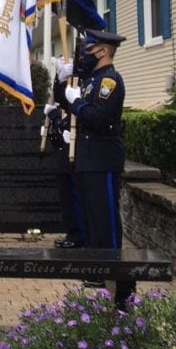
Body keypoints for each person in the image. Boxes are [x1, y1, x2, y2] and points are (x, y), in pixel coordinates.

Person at [63, 30, 127, 265]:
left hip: (102, 156)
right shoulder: (90, 81)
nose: (84, 56)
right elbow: (70, 105)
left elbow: (98, 117)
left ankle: (110, 267)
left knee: (104, 217)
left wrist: (76, 102)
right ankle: (94, 265)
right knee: (90, 216)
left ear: (103, 51)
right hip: (87, 157)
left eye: (88, 50)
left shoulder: (108, 81)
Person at [45, 58, 84, 249]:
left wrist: (55, 118)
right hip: (62, 152)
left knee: (73, 196)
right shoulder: (68, 81)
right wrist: (59, 79)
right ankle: (72, 231)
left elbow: (73, 106)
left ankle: (78, 234)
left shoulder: (83, 80)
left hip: (74, 152)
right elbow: (60, 97)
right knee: (66, 197)